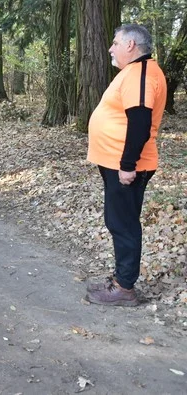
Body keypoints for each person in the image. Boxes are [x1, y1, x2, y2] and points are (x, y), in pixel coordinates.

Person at [85, 24, 167, 307]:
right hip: (118, 162)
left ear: (131, 45)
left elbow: (141, 123)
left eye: (115, 42)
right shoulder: (135, 73)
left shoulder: (141, 74)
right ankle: (122, 279)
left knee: (123, 223)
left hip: (128, 165)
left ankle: (124, 288)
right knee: (119, 221)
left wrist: (128, 164)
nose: (111, 48)